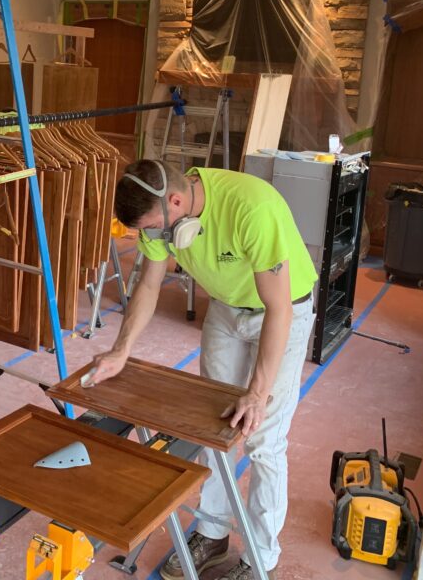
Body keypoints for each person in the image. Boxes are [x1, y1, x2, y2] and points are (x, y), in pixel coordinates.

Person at [87, 159, 318, 580]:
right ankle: (211, 534)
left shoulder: (251, 208)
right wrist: (121, 350)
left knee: (263, 439)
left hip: (283, 311)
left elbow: (279, 308)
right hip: (226, 310)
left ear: (176, 201)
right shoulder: (161, 217)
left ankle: (259, 559)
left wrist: (257, 391)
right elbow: (149, 284)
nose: (153, 238)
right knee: (210, 427)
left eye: (155, 228)